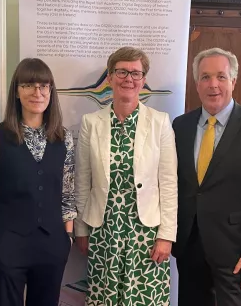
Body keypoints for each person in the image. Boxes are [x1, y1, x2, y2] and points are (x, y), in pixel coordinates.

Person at [172, 47, 241, 306]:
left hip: (237, 251)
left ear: (233, 81)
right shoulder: (181, 126)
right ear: (197, 84)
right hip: (189, 247)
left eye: (221, 76)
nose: (213, 85)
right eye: (205, 77)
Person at [74, 46, 178, 306]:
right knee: (104, 299)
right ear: (109, 78)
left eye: (135, 73)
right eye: (121, 72)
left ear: (143, 80)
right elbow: (82, 181)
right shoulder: (91, 122)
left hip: (146, 233)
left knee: (144, 300)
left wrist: (166, 235)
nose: (128, 79)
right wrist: (81, 229)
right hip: (104, 229)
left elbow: (168, 183)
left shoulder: (160, 122)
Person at [0, 57, 77, 306]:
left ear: (51, 91)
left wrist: (67, 237)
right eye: (28, 85)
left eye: (43, 86)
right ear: (17, 91)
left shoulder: (65, 138)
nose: (37, 92)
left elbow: (67, 192)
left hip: (52, 245)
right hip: (8, 244)